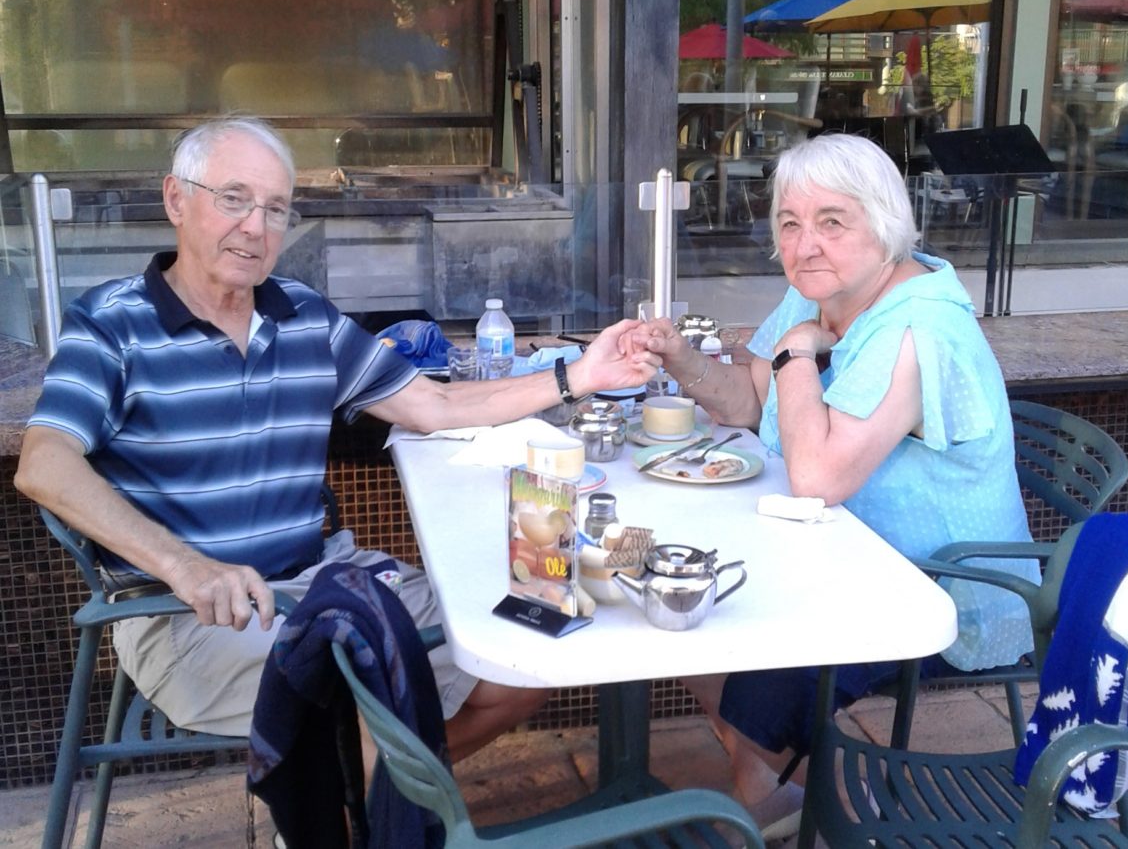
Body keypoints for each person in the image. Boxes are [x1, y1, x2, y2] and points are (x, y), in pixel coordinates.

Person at [14, 116, 659, 763]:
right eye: (233, 199)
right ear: (176, 199)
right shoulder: (110, 324)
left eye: (275, 209)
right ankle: (356, 809)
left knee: (523, 654)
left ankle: (368, 809)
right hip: (187, 618)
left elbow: (431, 405)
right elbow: (44, 463)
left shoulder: (303, 317)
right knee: (368, 694)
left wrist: (581, 374)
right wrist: (186, 567)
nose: (255, 227)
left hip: (325, 578)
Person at [626, 132, 1038, 833]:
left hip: (937, 588)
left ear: (884, 228)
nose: (804, 243)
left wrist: (796, 352)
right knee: (677, 598)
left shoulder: (915, 327)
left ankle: (827, 805)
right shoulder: (821, 293)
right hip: (842, 551)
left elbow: (816, 476)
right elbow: (751, 403)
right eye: (790, 222)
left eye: (831, 222)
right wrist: (681, 358)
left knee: (720, 620)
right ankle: (765, 782)